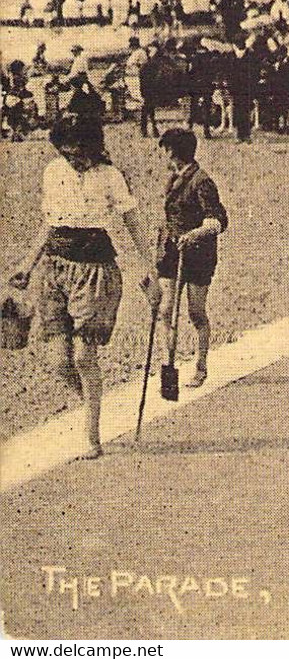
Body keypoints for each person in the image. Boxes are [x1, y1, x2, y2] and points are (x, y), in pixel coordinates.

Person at [8, 114, 158, 459]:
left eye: (78, 153)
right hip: (54, 270)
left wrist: (147, 273)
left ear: (93, 146)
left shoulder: (110, 177)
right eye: (66, 153)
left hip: (95, 271)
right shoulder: (53, 171)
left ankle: (92, 436)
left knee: (83, 356)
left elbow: (132, 227)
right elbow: (50, 223)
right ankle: (94, 403)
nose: (73, 160)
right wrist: (27, 265)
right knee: (59, 361)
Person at [154, 128, 228, 389]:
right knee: (165, 310)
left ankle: (201, 366)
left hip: (197, 255)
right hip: (171, 253)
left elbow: (217, 221)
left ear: (174, 152)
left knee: (196, 313)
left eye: (166, 149)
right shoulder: (172, 178)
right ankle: (168, 365)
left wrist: (195, 234)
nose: (163, 154)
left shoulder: (202, 181)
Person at [223, 38, 258, 144]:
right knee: (243, 112)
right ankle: (244, 134)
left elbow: (228, 74)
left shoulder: (234, 57)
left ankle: (242, 135)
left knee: (242, 111)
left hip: (242, 89)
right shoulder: (247, 56)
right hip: (242, 88)